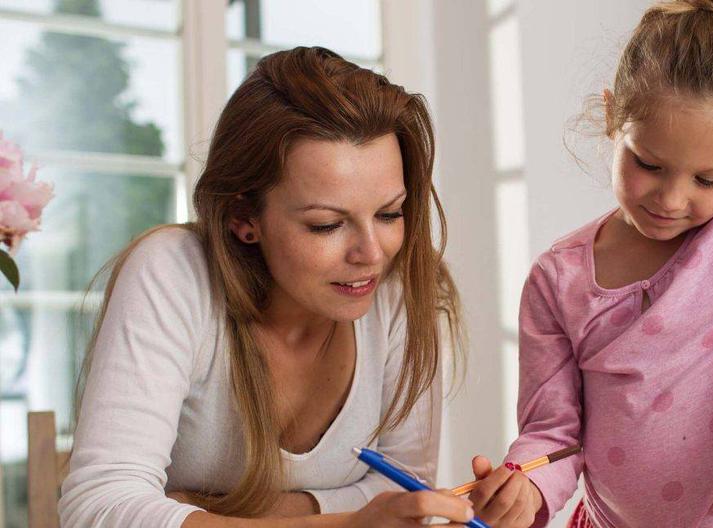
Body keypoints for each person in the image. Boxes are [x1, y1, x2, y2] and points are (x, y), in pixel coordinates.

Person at [59, 46, 477, 528]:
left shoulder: (400, 290)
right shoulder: (173, 273)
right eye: (325, 225)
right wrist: (346, 521)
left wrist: (213, 509)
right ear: (244, 218)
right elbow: (98, 506)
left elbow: (402, 490)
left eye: (389, 214)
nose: (372, 253)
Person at [465, 1, 713, 526]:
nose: (672, 199)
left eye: (708, 180)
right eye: (649, 164)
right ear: (613, 116)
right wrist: (525, 489)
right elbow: (554, 435)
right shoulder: (556, 278)